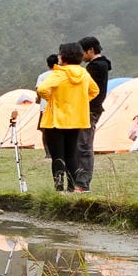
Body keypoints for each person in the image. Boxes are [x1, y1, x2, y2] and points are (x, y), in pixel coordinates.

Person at [36, 42, 99, 193]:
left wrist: (51, 98)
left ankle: (59, 188)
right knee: (71, 155)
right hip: (76, 120)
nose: (58, 56)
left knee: (58, 157)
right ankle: (71, 188)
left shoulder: (60, 73)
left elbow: (42, 89)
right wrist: (78, 101)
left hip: (55, 121)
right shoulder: (84, 73)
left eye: (59, 53)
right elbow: (94, 90)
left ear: (64, 56)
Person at [77, 36, 111, 190]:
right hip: (91, 109)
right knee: (82, 144)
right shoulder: (101, 65)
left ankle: (83, 184)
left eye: (82, 52)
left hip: (90, 109)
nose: (81, 56)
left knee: (84, 145)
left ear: (91, 50)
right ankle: (80, 181)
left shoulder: (95, 67)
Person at [36, 54, 58, 168]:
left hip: (45, 107)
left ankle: (48, 153)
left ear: (47, 64)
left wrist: (38, 100)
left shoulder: (42, 76)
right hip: (59, 107)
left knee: (45, 130)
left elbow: (39, 90)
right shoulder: (60, 75)